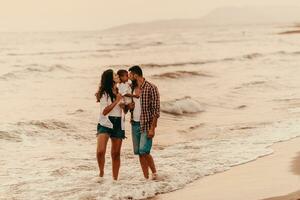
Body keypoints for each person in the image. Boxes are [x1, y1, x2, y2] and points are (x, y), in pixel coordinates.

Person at [128, 65, 160, 180]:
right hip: (134, 124)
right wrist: (129, 106)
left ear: (135, 75)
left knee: (144, 150)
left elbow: (156, 110)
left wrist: (153, 128)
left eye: (130, 74)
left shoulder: (151, 87)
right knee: (139, 153)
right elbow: (128, 106)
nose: (128, 77)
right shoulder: (130, 88)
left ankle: (155, 174)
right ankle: (146, 178)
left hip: (146, 124)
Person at [95, 69, 125, 181]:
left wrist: (127, 107)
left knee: (116, 154)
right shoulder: (104, 93)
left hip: (118, 122)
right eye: (115, 75)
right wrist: (116, 101)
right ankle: (101, 173)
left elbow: (124, 110)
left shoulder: (120, 90)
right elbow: (104, 111)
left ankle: (115, 180)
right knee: (100, 151)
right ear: (110, 79)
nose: (117, 76)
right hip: (105, 122)